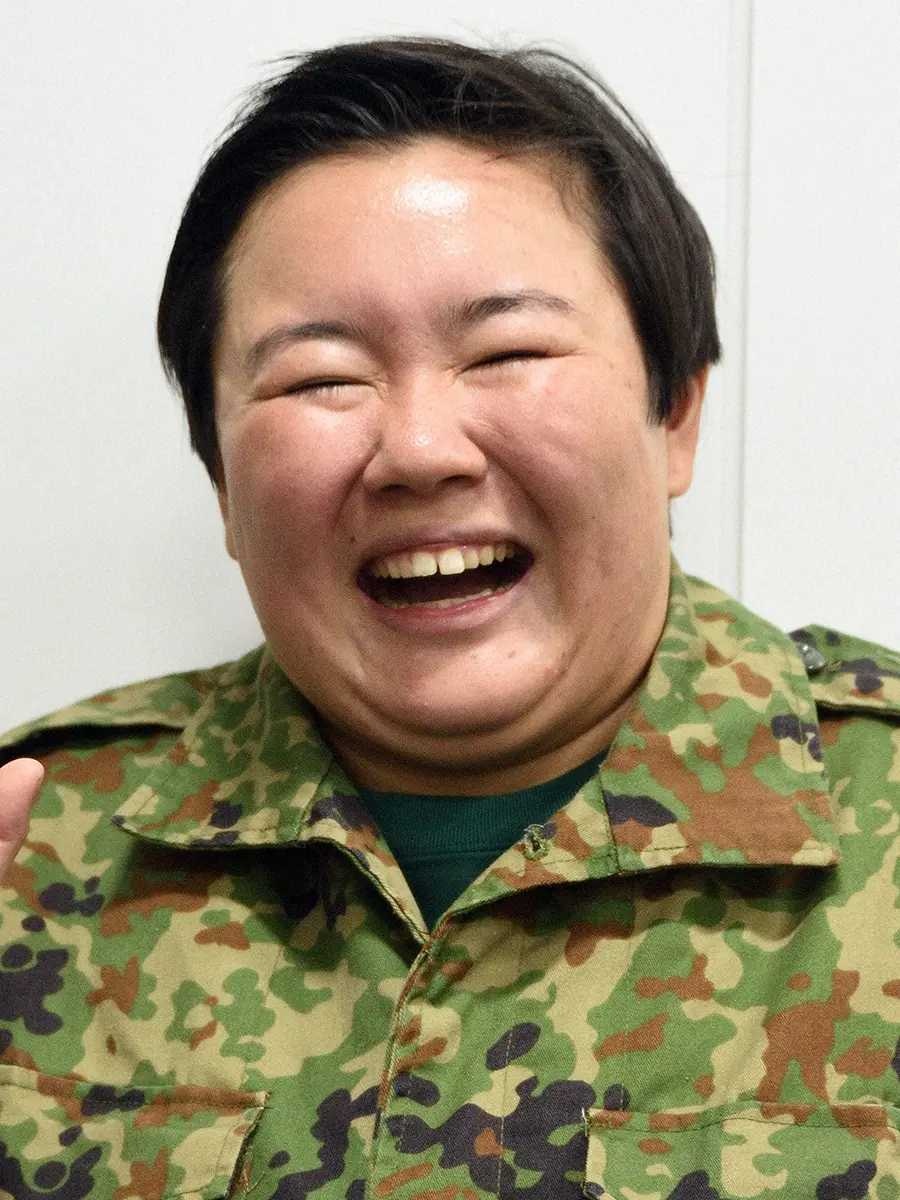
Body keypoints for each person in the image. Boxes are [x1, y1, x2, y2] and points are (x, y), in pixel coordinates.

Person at [0, 36, 897, 1199]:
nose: (420, 450)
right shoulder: (41, 843)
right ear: (221, 478)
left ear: (674, 413)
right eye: (321, 377)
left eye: (507, 350)